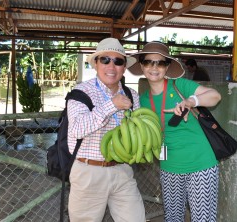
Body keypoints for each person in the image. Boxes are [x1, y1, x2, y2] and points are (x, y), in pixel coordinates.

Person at [129, 42, 221, 222]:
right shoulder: (142, 101)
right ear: (141, 65)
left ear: (167, 67)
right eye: (148, 62)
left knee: (203, 219)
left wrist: (190, 102)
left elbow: (215, 96)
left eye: (160, 63)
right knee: (172, 218)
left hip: (200, 165)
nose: (154, 67)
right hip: (169, 168)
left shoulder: (179, 86)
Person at [67, 38, 146, 222]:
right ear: (96, 63)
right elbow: (78, 129)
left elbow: (138, 131)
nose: (112, 66)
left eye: (118, 61)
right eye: (105, 60)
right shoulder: (81, 92)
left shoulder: (131, 95)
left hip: (122, 170)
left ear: (124, 67)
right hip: (89, 171)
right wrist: (111, 105)